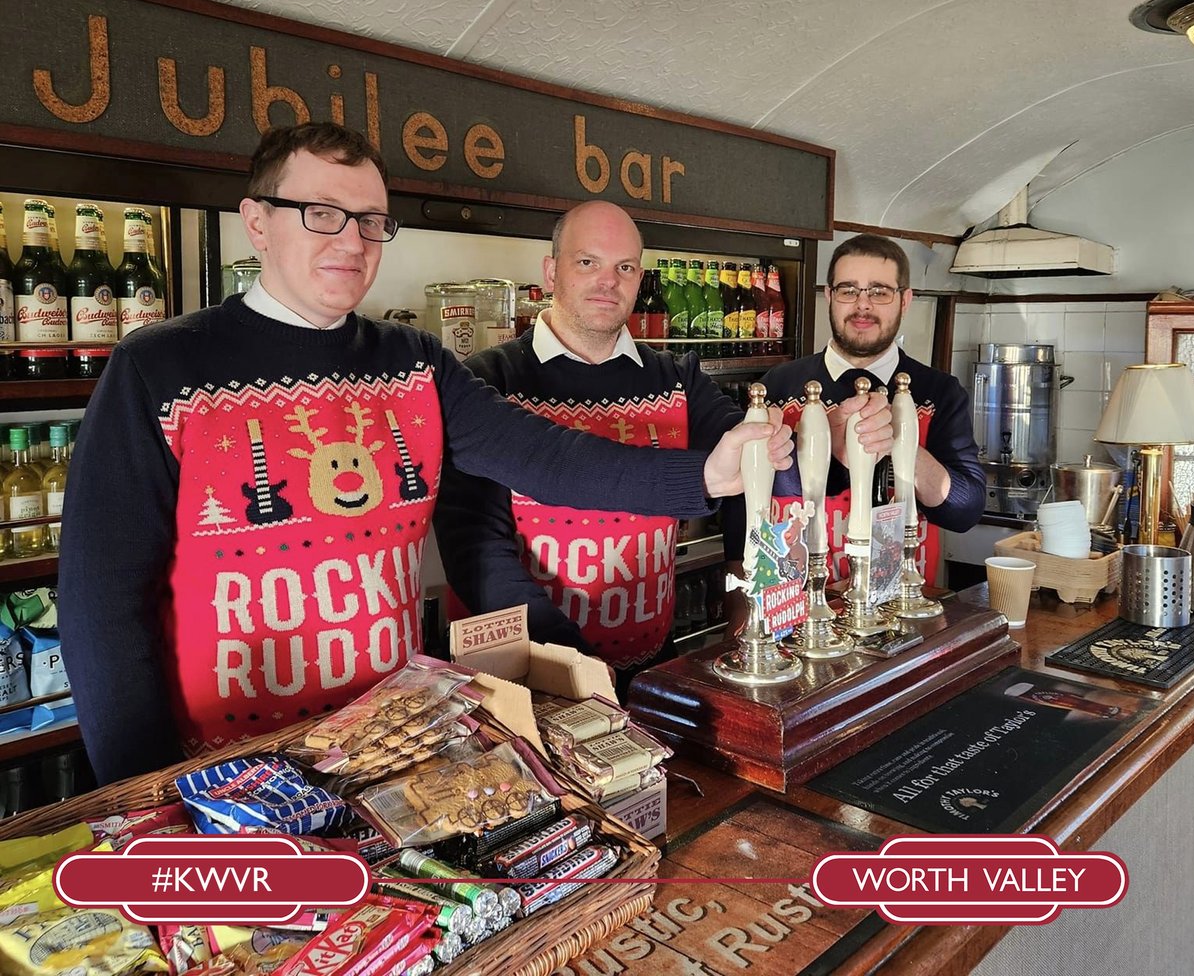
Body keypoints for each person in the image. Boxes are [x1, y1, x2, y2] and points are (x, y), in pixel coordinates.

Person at [56, 123, 794, 786]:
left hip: (398, 750)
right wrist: (143, 795)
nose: (351, 241)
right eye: (322, 214)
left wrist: (704, 473)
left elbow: (546, 457)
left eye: (372, 222)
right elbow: (100, 604)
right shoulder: (159, 367)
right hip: (229, 773)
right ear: (257, 222)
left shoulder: (416, 362)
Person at [433, 202, 748, 693]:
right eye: (587, 262)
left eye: (624, 267)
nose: (608, 281)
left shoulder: (678, 377)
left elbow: (750, 467)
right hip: (530, 675)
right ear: (550, 269)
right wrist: (571, 662)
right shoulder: (487, 379)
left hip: (650, 664)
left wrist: (740, 583)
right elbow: (474, 545)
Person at [761, 233, 985, 581]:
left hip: (901, 610)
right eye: (848, 290)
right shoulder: (778, 384)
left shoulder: (939, 392)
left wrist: (902, 441)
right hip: (794, 608)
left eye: (879, 291)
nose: (862, 305)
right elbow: (746, 504)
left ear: (905, 300)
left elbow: (965, 511)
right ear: (829, 296)